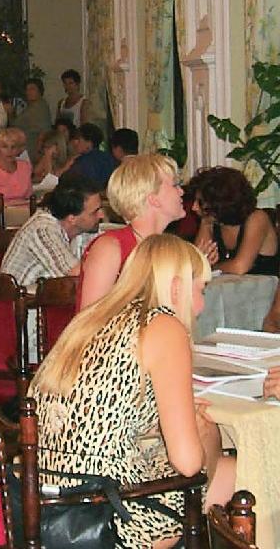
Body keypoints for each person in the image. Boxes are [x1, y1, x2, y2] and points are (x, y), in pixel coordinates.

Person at [30, 234, 235, 549]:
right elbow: (188, 464)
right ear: (177, 287)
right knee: (233, 468)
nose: (202, 305)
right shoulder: (164, 327)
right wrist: (207, 435)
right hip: (105, 515)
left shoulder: (94, 317)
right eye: (201, 289)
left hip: (42, 500)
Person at [77, 154, 186, 310]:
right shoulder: (110, 248)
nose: (181, 191)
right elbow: (89, 318)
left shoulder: (169, 248)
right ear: (153, 198)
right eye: (175, 185)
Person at [1, 175, 104, 286]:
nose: (101, 215)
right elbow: (75, 276)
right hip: (17, 295)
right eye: (95, 212)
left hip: (48, 294)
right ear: (72, 218)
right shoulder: (42, 230)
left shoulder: (81, 228)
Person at [190, 166, 279, 276]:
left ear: (220, 203)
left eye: (200, 202)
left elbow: (240, 267)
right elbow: (197, 264)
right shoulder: (211, 220)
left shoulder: (257, 218)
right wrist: (205, 223)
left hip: (264, 285)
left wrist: (210, 267)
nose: (193, 207)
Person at [61, 122, 117, 188]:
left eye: (78, 139)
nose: (75, 143)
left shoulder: (82, 162)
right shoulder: (109, 157)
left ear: (89, 143)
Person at [13, 77, 52, 160]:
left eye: (32, 89)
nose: (29, 92)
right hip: (23, 149)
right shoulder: (30, 107)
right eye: (27, 89)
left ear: (40, 91)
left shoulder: (40, 107)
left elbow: (44, 130)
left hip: (32, 150)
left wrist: (39, 151)